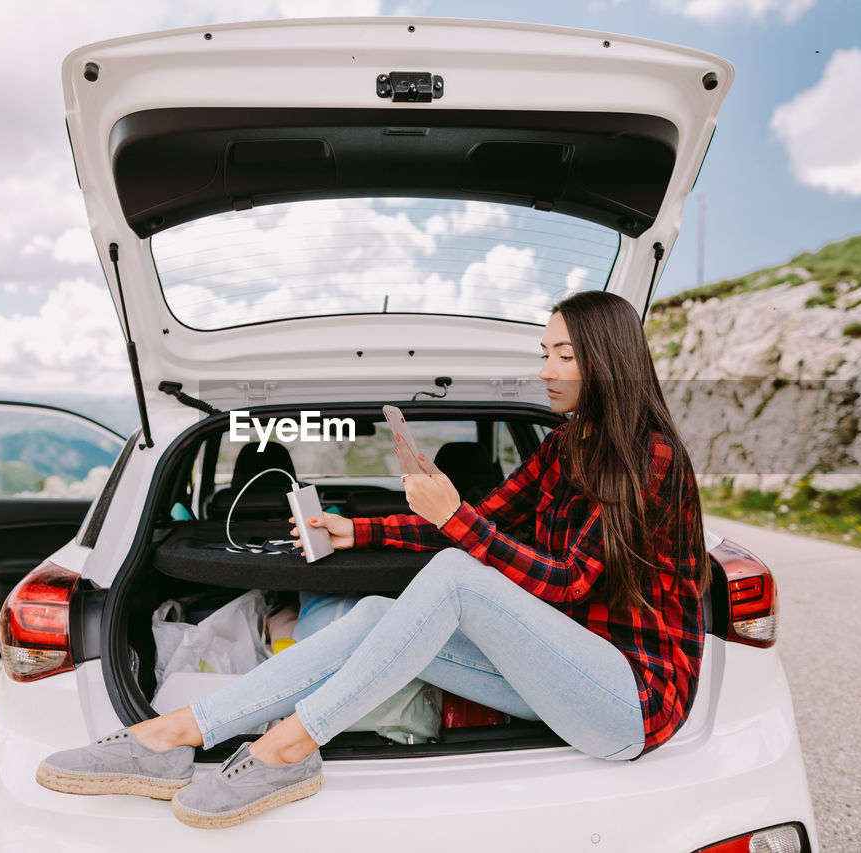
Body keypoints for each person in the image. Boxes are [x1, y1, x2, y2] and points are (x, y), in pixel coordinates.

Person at [36, 290, 709, 830]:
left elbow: (563, 583)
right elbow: (484, 523)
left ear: (607, 357)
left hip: (629, 701)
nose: (544, 370)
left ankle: (291, 746)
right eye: (545, 352)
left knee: (451, 576)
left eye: (563, 354)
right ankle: (174, 734)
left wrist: (453, 515)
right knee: (374, 611)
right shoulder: (564, 447)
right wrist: (361, 530)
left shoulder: (650, 457)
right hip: (559, 675)